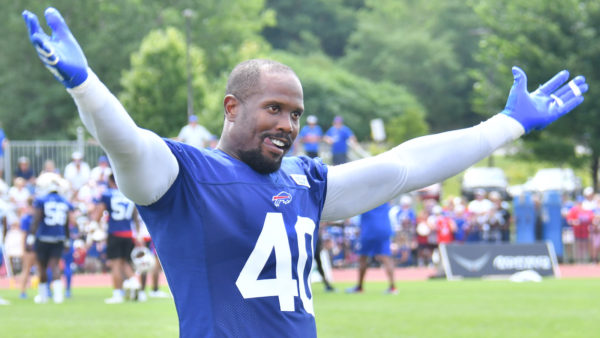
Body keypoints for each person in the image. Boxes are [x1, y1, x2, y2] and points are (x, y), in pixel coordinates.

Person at [22, 7, 588, 337]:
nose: (288, 124)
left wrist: (508, 125)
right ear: (231, 107)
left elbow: (406, 166)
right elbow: (126, 144)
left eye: (295, 113)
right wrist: (84, 85)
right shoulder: (182, 177)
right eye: (274, 108)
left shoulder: (304, 183)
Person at [92, 174, 141, 304]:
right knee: (125, 263)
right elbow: (135, 216)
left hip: (115, 232)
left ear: (110, 181)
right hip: (129, 233)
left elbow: (99, 213)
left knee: (115, 265)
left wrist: (95, 227)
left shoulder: (108, 194)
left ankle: (117, 294)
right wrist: (137, 233)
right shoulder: (129, 194)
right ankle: (136, 285)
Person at [26, 172, 75, 304]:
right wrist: (66, 239)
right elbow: (66, 223)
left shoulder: (41, 200)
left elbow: (37, 219)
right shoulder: (64, 201)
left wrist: (31, 236)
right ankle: (58, 296)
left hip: (43, 237)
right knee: (55, 266)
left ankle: (43, 296)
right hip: (59, 237)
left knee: (41, 266)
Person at [346, 202, 397, 294]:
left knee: (363, 257)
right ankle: (393, 287)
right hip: (384, 229)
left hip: (369, 230)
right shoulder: (384, 196)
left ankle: (360, 287)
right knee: (386, 257)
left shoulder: (366, 197)